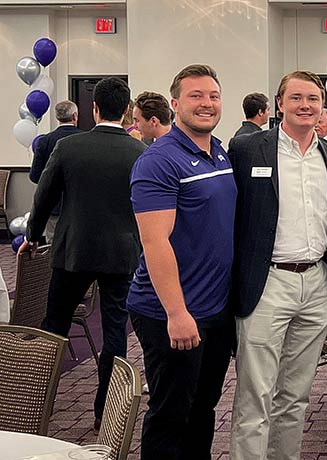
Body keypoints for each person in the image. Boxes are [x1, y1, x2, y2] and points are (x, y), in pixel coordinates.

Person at [228, 70, 327, 460]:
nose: (305, 105)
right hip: (267, 283)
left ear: (322, 104)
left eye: (313, 98)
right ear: (279, 104)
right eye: (296, 98)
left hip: (315, 284)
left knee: (295, 397)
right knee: (254, 396)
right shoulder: (247, 149)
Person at [23, 77, 145, 431]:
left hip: (72, 251)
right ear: (127, 112)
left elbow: (43, 196)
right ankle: (104, 411)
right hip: (121, 254)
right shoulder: (139, 154)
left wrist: (32, 235)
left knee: (54, 326)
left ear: (93, 109)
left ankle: (37, 404)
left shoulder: (69, 148)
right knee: (114, 331)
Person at [127, 64, 237, 460]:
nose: (206, 104)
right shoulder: (159, 161)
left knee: (202, 410)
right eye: (196, 96)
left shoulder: (219, 150)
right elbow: (154, 242)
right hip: (169, 312)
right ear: (175, 104)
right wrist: (177, 312)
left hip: (214, 311)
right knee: (170, 415)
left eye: (213, 96)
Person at [29, 100, 83, 241]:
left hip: (53, 205)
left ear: (57, 117)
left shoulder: (44, 141)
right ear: (75, 116)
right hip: (79, 205)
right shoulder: (85, 140)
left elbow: (35, 176)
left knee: (52, 248)